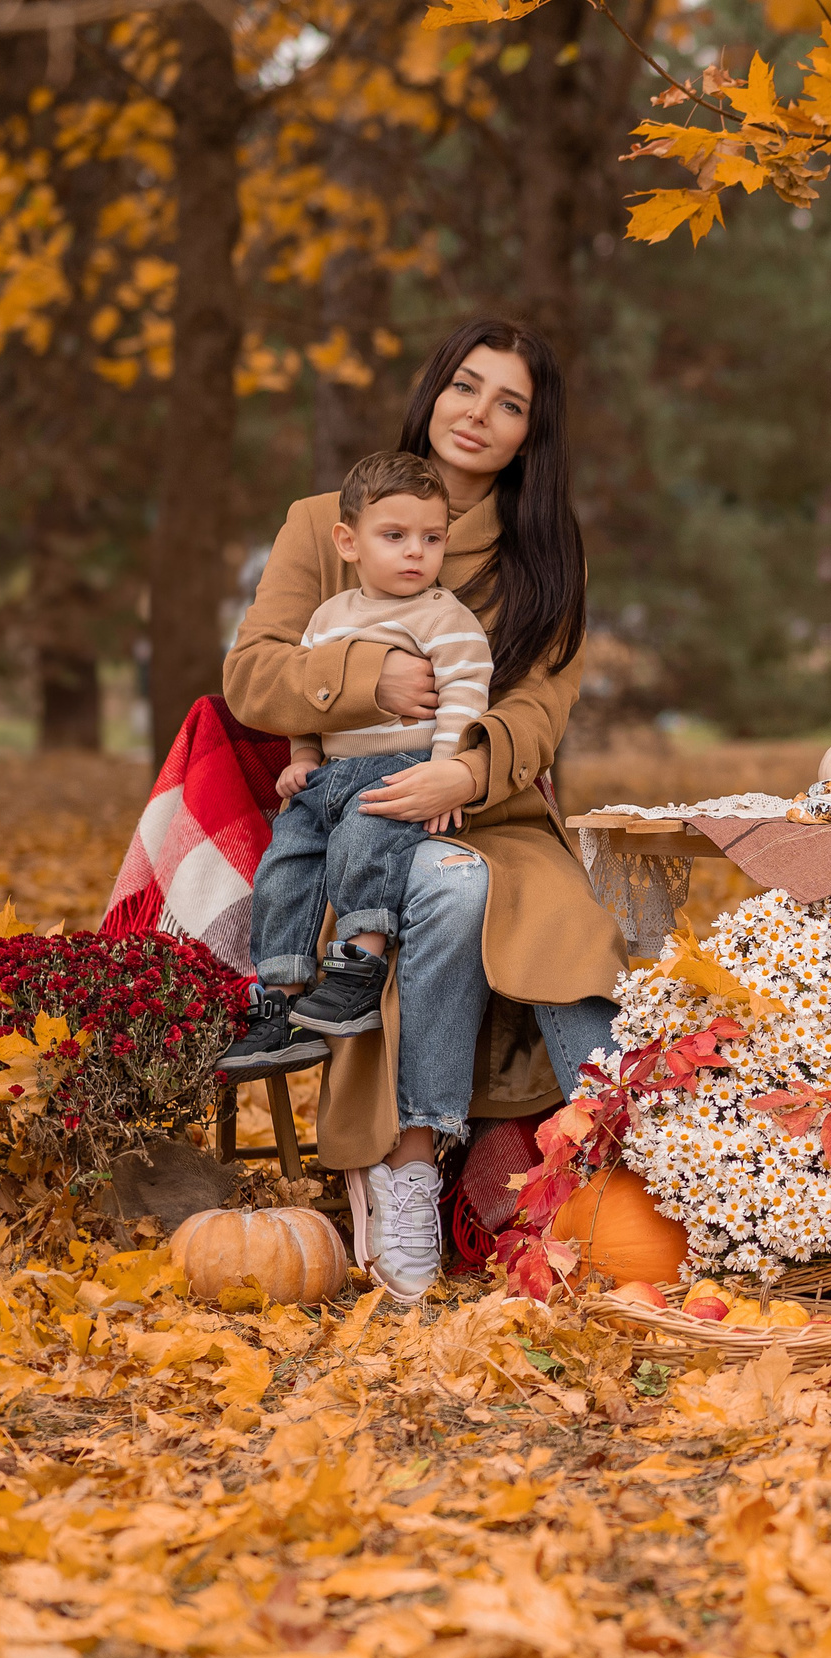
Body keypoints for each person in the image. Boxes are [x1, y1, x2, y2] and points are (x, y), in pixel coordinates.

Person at [223, 318, 627, 1304]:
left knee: (560, 920)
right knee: (445, 886)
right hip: (357, 811)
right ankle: (407, 1171)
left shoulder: (542, 552)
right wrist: (369, 678)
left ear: (533, 434)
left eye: (510, 404)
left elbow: (539, 709)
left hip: (485, 806)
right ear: (432, 389)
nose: (478, 415)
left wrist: (468, 769)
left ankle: (619, 1163)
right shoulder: (327, 520)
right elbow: (253, 674)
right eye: (465, 386)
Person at [221, 453, 494, 1067]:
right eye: (394, 537)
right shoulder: (329, 619)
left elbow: (466, 695)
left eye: (431, 538)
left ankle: (358, 971)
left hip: (401, 768)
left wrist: (447, 770)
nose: (415, 553)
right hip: (326, 778)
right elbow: (307, 703)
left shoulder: (444, 617)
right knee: (286, 862)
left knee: (362, 848)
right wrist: (303, 754)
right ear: (349, 541)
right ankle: (282, 1000)